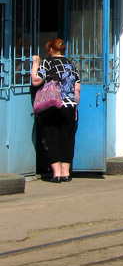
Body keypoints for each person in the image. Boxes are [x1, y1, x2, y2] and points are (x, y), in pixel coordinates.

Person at [31, 38, 81, 183]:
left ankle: (57, 174)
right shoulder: (71, 64)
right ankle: (66, 173)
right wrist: (74, 107)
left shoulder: (47, 62)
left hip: (52, 106)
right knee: (67, 138)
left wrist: (35, 63)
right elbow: (77, 88)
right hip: (69, 105)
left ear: (51, 50)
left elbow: (36, 80)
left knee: (51, 137)